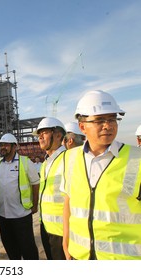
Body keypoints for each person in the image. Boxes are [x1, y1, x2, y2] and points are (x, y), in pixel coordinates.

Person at [62, 90, 141, 260]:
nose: (108, 125)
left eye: (112, 119)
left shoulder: (137, 159)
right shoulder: (70, 158)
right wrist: (66, 241)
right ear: (82, 126)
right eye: (99, 120)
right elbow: (69, 201)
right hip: (79, 256)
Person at [0, 133, 40, 260]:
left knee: (28, 249)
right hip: (3, 215)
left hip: (21, 215)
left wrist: (35, 205)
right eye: (1, 145)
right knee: (10, 248)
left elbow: (35, 183)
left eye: (6, 145)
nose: (3, 147)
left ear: (14, 147)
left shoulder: (25, 162)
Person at [33, 117, 66, 260]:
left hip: (62, 231)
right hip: (46, 227)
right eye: (39, 134)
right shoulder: (46, 163)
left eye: (44, 133)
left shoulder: (69, 159)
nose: (40, 137)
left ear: (58, 135)